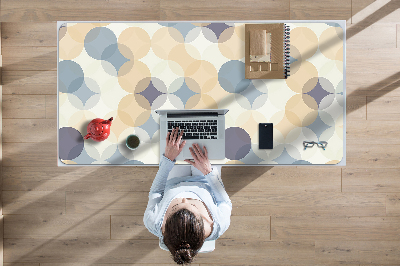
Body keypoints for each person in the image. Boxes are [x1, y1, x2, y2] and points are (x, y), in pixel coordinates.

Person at [144, 127, 232, 264]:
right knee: (209, 137)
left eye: (176, 206)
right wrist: (208, 171)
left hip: (173, 181)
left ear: (166, 223)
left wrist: (167, 160)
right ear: (203, 223)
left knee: (174, 142)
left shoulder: (153, 222)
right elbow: (224, 202)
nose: (184, 198)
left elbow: (156, 192)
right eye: (192, 205)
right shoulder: (219, 224)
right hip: (205, 180)